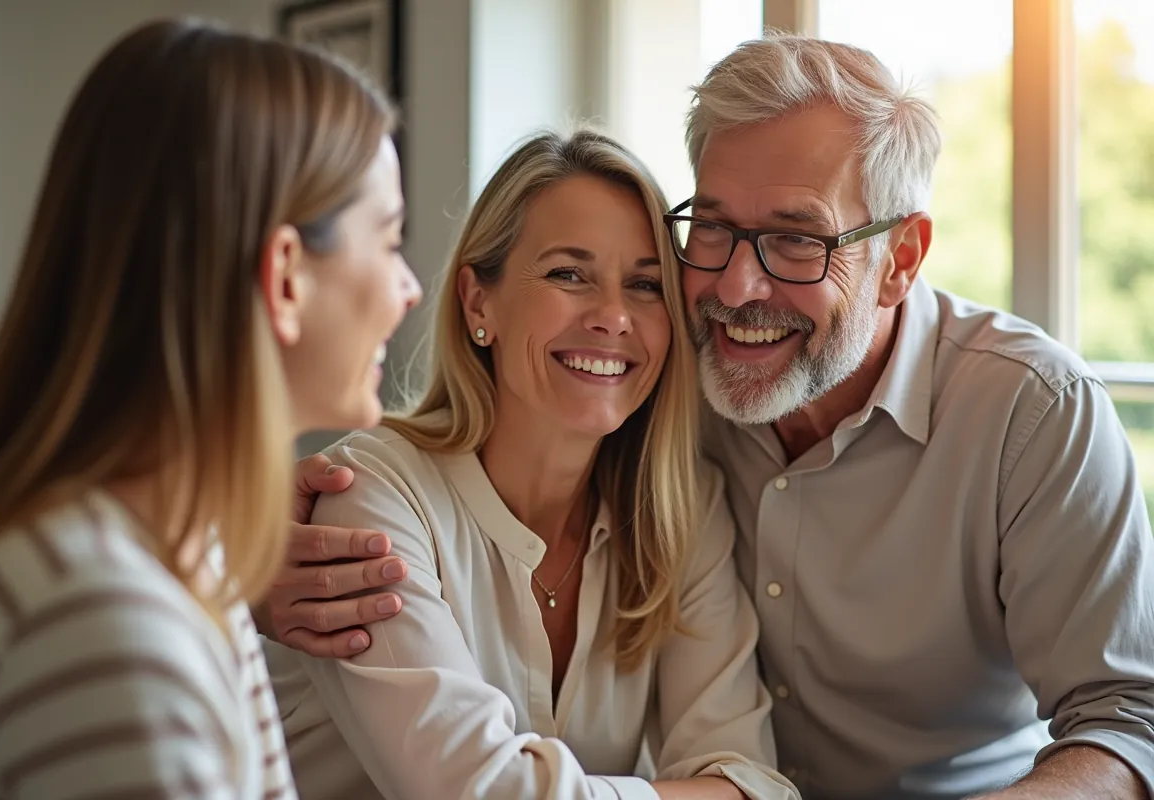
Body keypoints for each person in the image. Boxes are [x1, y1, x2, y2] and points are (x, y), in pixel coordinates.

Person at [268, 35, 1154, 800]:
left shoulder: (1032, 411)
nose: (736, 287)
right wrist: (247, 568)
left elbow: (1129, 721)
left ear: (899, 260)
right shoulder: (657, 383)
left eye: (798, 239)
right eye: (715, 229)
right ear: (478, 301)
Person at [0, 17, 419, 799]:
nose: (409, 288)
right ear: (285, 279)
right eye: (390, 241)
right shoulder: (103, 620)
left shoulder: (180, 555)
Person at [261, 130, 799, 800]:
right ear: (477, 301)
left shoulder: (682, 512)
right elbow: (475, 793)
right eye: (568, 274)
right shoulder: (370, 499)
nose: (612, 317)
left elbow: (752, 784)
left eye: (644, 285)